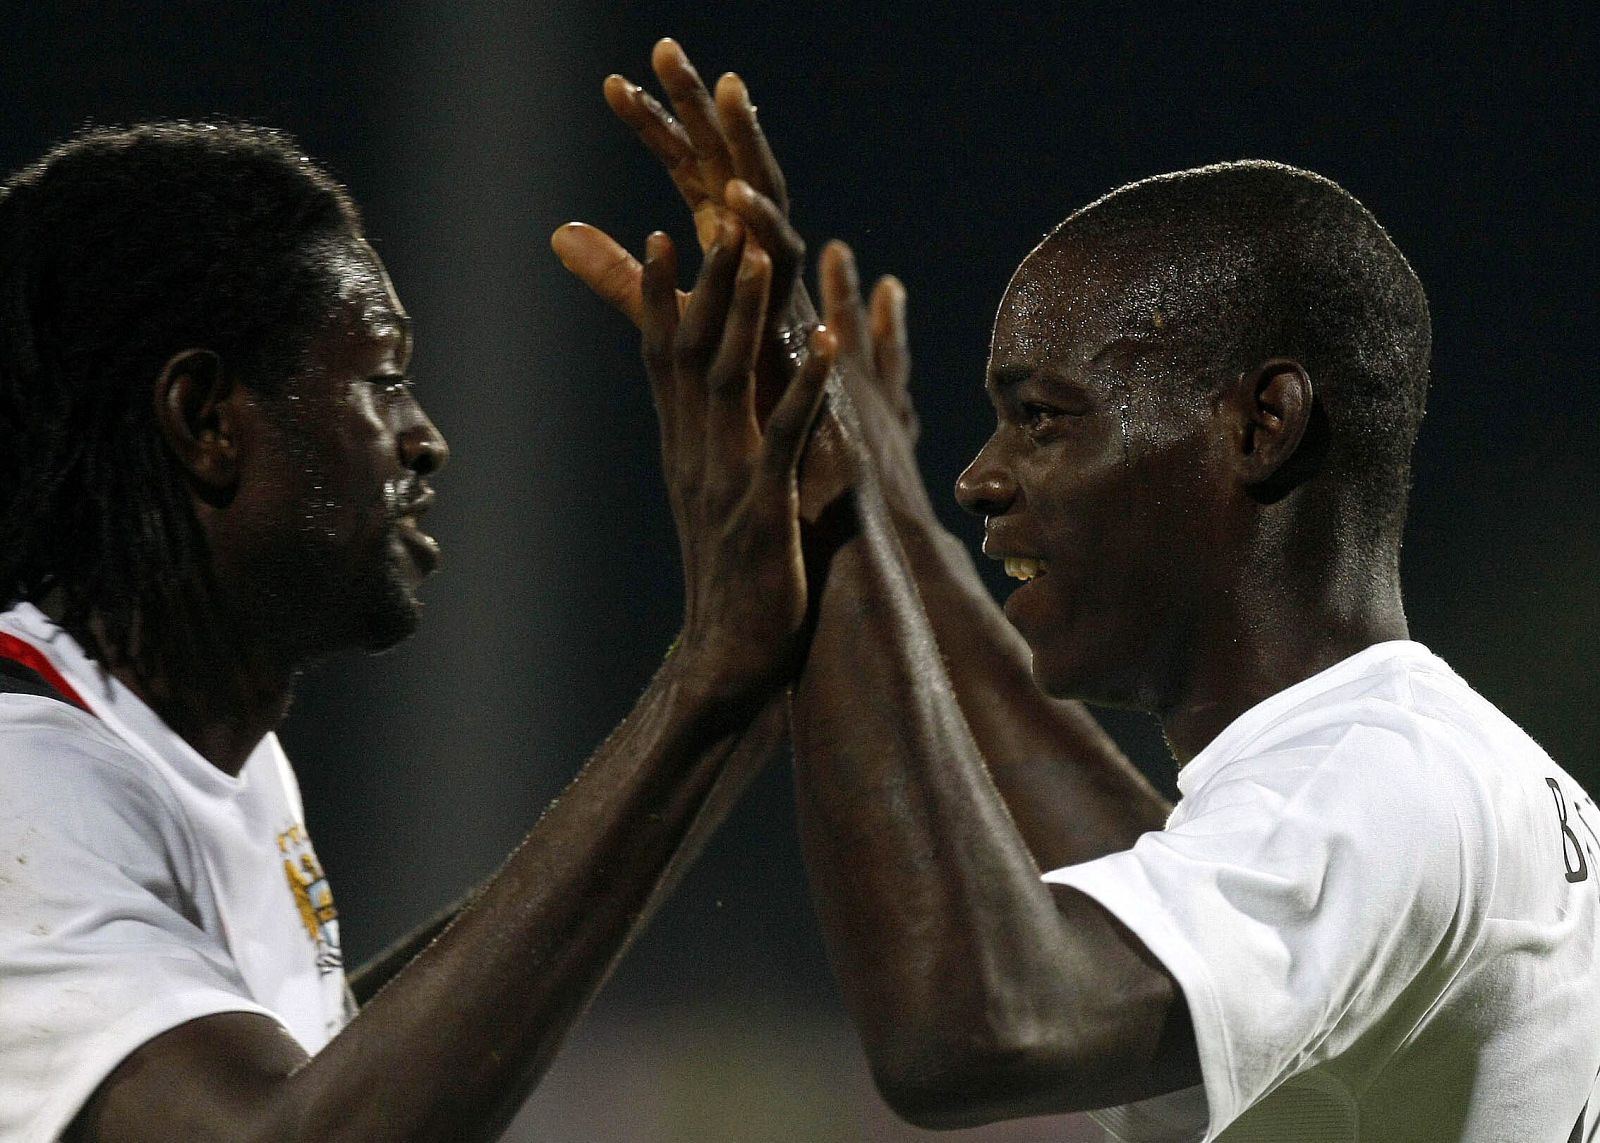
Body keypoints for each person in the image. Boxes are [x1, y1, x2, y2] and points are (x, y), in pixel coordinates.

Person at [556, 40, 1600, 1141]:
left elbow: (973, 1032)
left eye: (1044, 417)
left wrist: (821, 475)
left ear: (1259, 424)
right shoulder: (1439, 771)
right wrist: (894, 527)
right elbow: (1121, 901)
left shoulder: (1374, 786)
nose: (979, 476)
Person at [0, 120, 833, 1141]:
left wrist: (725, 715)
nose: (424, 439)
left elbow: (339, 1079)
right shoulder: (26, 784)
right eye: (384, 375)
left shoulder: (199, 756)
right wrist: (700, 691)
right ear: (207, 419)